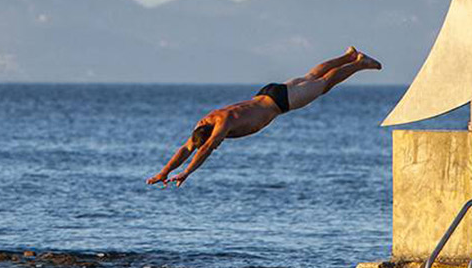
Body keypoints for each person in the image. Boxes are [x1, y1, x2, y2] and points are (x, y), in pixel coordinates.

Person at [147, 47, 382, 187]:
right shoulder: (206, 122)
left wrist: (187, 173)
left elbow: (205, 149)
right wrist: (164, 172)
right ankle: (347, 55)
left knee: (324, 84)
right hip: (268, 92)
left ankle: (359, 63)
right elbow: (187, 148)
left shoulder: (221, 125)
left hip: (280, 103)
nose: (215, 142)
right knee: (311, 76)